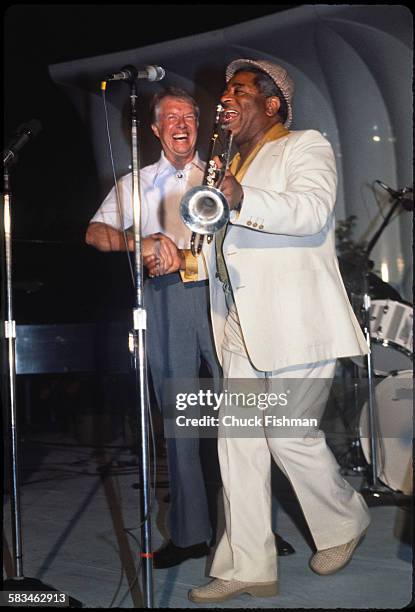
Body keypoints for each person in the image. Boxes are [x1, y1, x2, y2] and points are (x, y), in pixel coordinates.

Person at [146, 60, 371, 603]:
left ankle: (345, 520)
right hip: (238, 324)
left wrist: (239, 195)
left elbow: (311, 212)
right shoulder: (232, 162)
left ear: (271, 104)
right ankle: (247, 565)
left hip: (296, 318)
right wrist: (186, 263)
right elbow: (228, 251)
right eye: (224, 92)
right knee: (239, 445)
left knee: (288, 433)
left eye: (238, 92)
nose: (224, 100)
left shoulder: (304, 145)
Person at [86, 86, 295, 568]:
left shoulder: (224, 175)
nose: (181, 124)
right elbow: (94, 233)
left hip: (225, 294)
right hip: (165, 299)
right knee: (180, 416)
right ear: (156, 129)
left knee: (242, 415)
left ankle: (254, 530)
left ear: (199, 127)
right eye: (171, 117)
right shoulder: (135, 183)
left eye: (189, 117)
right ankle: (189, 535)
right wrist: (139, 242)